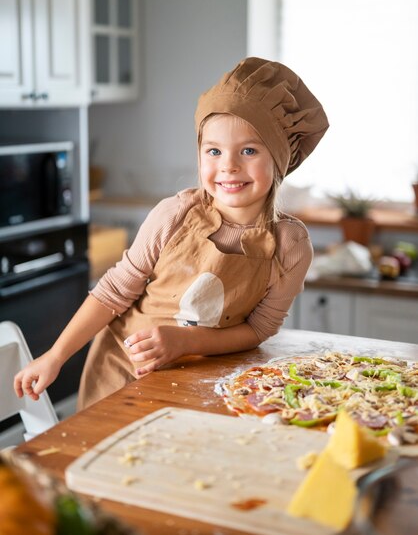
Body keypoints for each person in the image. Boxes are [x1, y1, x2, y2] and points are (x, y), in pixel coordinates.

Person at [14, 57, 329, 410]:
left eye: (249, 150)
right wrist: (55, 356)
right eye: (213, 150)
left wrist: (187, 341)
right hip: (121, 377)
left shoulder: (290, 246)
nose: (228, 165)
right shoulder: (175, 216)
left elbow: (259, 330)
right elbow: (114, 292)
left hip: (206, 385)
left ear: (280, 160)